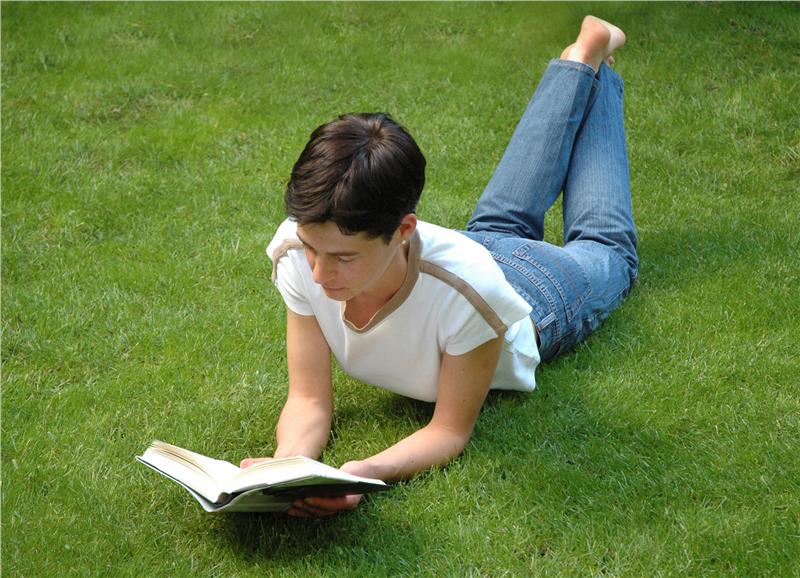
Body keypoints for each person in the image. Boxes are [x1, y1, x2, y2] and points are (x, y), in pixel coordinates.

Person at [241, 15, 638, 517]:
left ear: (403, 230)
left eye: (343, 258)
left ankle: (594, 70)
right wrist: (285, 467)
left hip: (534, 292)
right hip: (470, 250)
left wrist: (364, 471)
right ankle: (581, 59)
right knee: (499, 224)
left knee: (608, 249)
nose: (318, 274)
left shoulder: (471, 292)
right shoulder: (298, 253)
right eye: (312, 249)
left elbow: (449, 430)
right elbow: (309, 400)